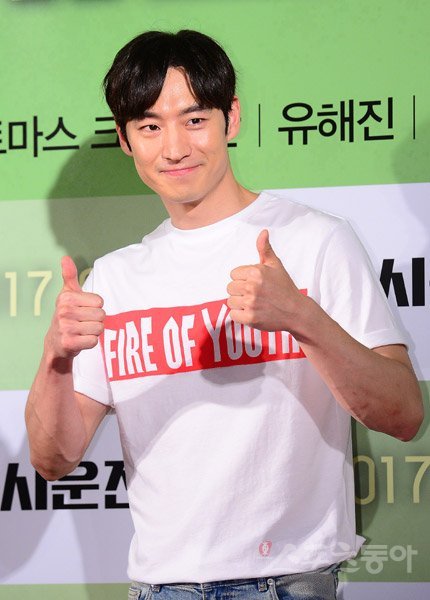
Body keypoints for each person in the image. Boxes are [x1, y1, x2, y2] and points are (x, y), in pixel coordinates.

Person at [25, 30, 423, 600]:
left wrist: (302, 318)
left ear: (230, 118)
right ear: (125, 139)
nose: (174, 148)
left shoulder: (313, 240)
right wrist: (56, 357)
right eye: (150, 127)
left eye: (194, 120)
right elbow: (53, 460)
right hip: (161, 588)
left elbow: (403, 414)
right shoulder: (114, 277)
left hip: (287, 584)